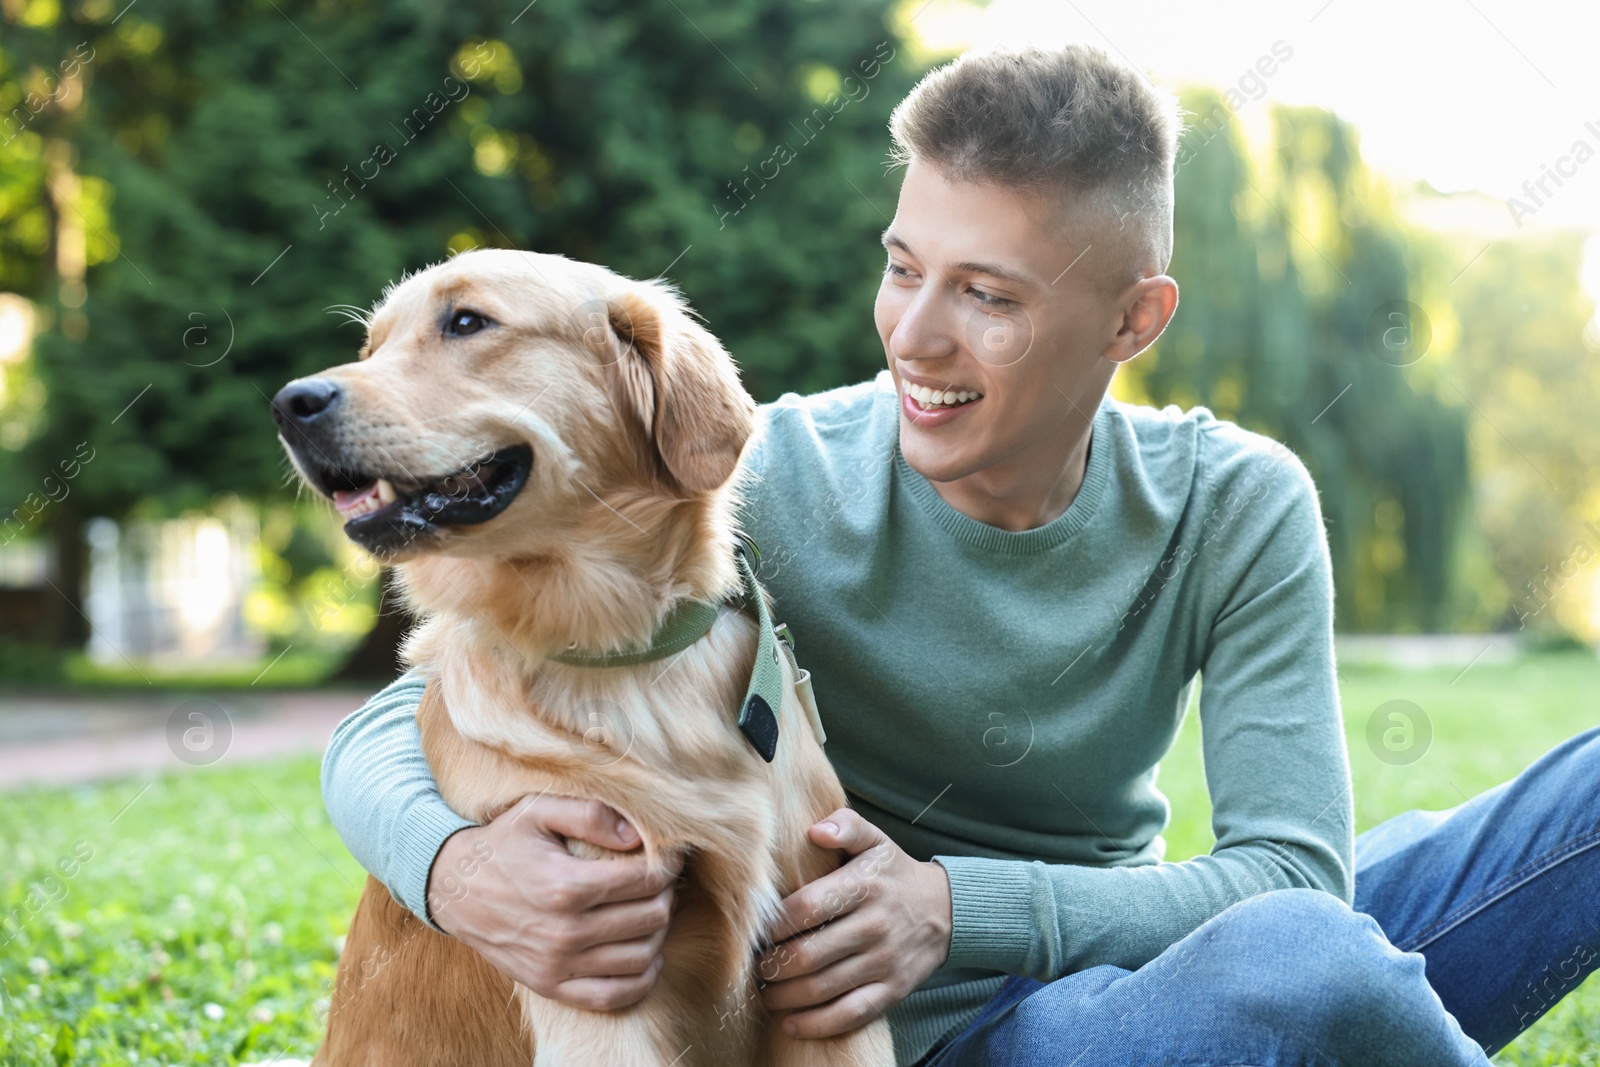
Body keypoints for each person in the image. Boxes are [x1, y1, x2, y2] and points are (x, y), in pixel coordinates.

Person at [320, 45, 1600, 1067]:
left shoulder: (1238, 499)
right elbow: (401, 716)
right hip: (942, 1032)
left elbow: (1288, 870)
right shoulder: (757, 474)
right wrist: (451, 865)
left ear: (1131, 317)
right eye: (901, 268)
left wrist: (956, 902)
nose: (913, 339)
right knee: (1309, 973)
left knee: (1357, 918)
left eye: (987, 295)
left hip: (1144, 947)